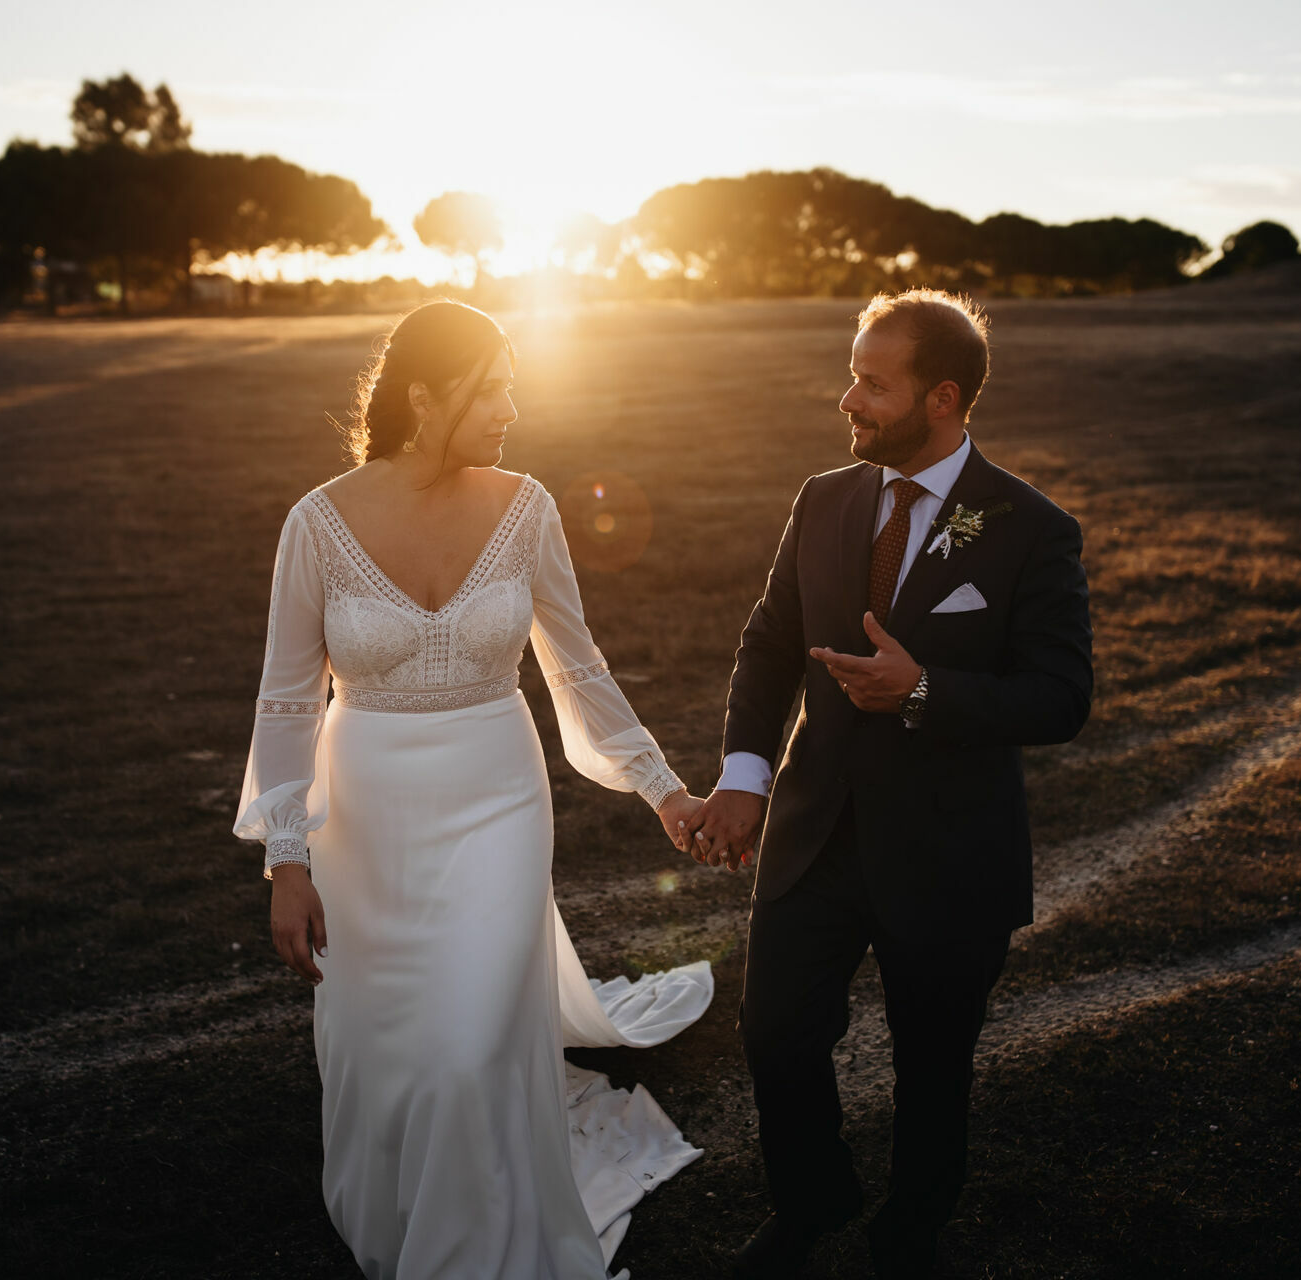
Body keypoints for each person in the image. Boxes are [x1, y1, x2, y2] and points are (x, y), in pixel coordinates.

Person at [233, 300, 712, 1279]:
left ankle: (486, 1244)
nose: (511, 407)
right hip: (367, 814)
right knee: (390, 1037)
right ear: (424, 395)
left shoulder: (526, 505)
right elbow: (286, 703)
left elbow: (578, 668)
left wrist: (662, 787)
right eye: (490, 387)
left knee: (474, 1040)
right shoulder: (316, 523)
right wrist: (287, 857)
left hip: (498, 796)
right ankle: (408, 1206)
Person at [685, 289, 1093, 1276]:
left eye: (873, 382)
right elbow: (771, 641)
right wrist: (743, 774)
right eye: (852, 374)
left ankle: (913, 1224)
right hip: (816, 828)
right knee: (774, 1031)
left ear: (943, 398)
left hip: (950, 848)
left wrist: (925, 691)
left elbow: (1059, 694)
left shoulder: (1031, 528)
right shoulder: (825, 499)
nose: (848, 399)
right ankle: (812, 1198)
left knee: (934, 1060)